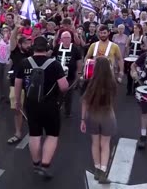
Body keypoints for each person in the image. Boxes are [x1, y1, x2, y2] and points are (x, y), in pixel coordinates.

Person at [14, 36, 69, 179]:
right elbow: (63, 87)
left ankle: (36, 163)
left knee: (34, 134)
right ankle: (45, 164)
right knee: (52, 135)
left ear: (33, 46)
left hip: (31, 104)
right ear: (47, 48)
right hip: (50, 105)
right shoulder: (54, 64)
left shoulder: (24, 63)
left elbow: (18, 84)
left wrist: (18, 102)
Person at [80, 57, 118, 184]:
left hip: (92, 115)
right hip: (107, 115)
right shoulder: (111, 83)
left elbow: (84, 101)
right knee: (105, 144)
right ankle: (103, 171)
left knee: (95, 143)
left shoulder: (90, 82)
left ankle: (96, 168)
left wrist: (82, 119)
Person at [52, 31, 82, 117]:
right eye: (64, 38)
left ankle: (67, 112)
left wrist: (79, 72)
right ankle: (57, 108)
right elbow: (52, 57)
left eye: (68, 38)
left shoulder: (75, 48)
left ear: (71, 39)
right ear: (61, 39)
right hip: (58, 76)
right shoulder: (57, 47)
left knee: (69, 94)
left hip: (70, 75)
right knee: (57, 93)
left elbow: (79, 61)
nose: (66, 40)